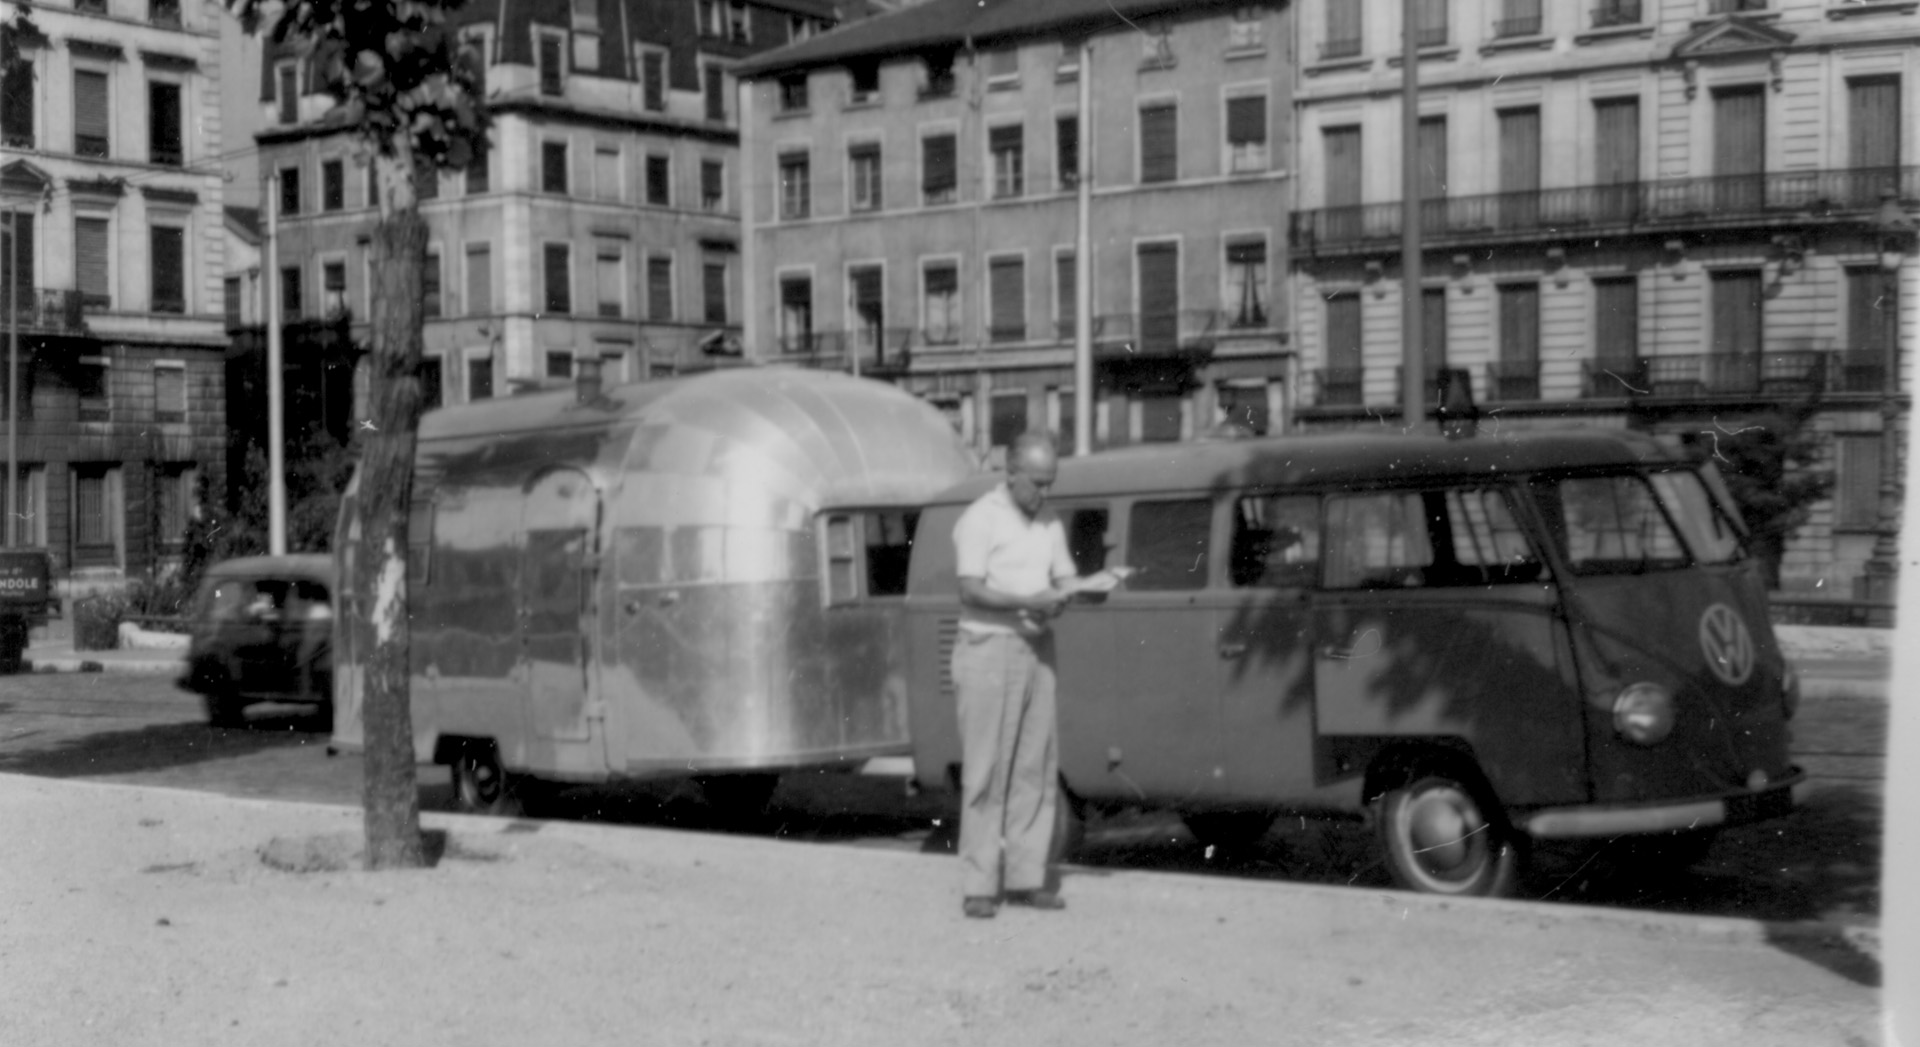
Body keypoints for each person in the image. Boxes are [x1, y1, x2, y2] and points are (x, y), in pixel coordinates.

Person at [950, 430, 1082, 919]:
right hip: (987, 648)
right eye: (1037, 483)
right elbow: (970, 589)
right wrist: (1029, 601)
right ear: (1011, 474)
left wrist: (1078, 589)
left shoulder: (1048, 521)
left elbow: (1062, 576)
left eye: (1051, 483)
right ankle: (979, 884)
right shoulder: (980, 519)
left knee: (1036, 765)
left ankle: (1028, 876)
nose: (1045, 493)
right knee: (986, 769)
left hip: (1036, 648)